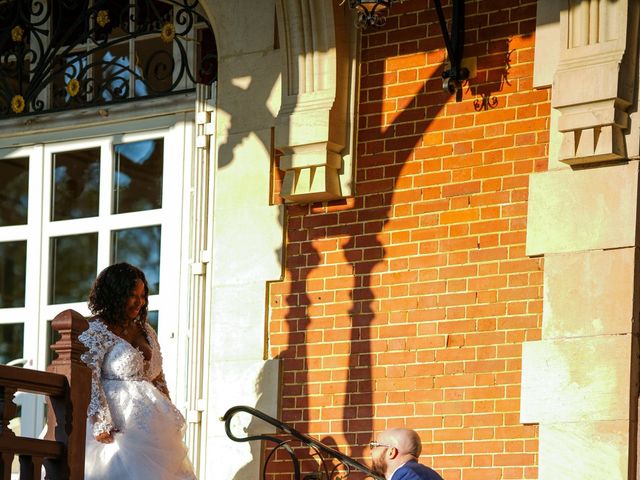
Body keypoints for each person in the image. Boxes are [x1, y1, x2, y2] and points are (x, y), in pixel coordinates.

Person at [79, 262, 196, 479]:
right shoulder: (96, 329)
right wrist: (101, 421)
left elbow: (158, 376)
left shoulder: (146, 330)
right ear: (114, 294)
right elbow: (89, 375)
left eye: (143, 296)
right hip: (115, 421)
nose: (139, 302)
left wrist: (169, 410)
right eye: (133, 295)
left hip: (151, 424)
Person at [370, 428, 444, 480]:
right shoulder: (419, 473)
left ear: (391, 452)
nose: (371, 451)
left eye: (375, 445)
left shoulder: (408, 474)